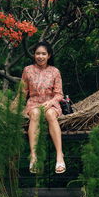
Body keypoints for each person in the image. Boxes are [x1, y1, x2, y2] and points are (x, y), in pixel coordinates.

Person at [21, 41, 66, 174]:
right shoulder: (27, 70)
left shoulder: (54, 71)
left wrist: (50, 102)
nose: (40, 56)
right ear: (34, 55)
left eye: (43, 54)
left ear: (49, 55)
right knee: (35, 114)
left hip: (51, 103)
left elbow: (59, 94)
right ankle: (34, 156)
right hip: (34, 103)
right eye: (37, 53)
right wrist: (14, 107)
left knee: (50, 114)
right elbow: (22, 92)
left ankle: (59, 155)